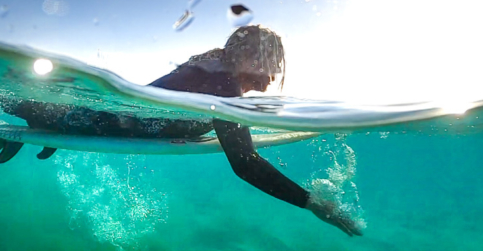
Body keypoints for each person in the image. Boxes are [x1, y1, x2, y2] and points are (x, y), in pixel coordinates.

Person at [0, 25, 362, 236]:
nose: (267, 85)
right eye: (269, 68)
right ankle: (34, 120)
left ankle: (35, 122)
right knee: (12, 99)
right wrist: (314, 204)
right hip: (81, 115)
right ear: (250, 58)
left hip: (87, 116)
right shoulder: (223, 81)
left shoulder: (213, 68)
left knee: (35, 110)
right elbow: (245, 163)